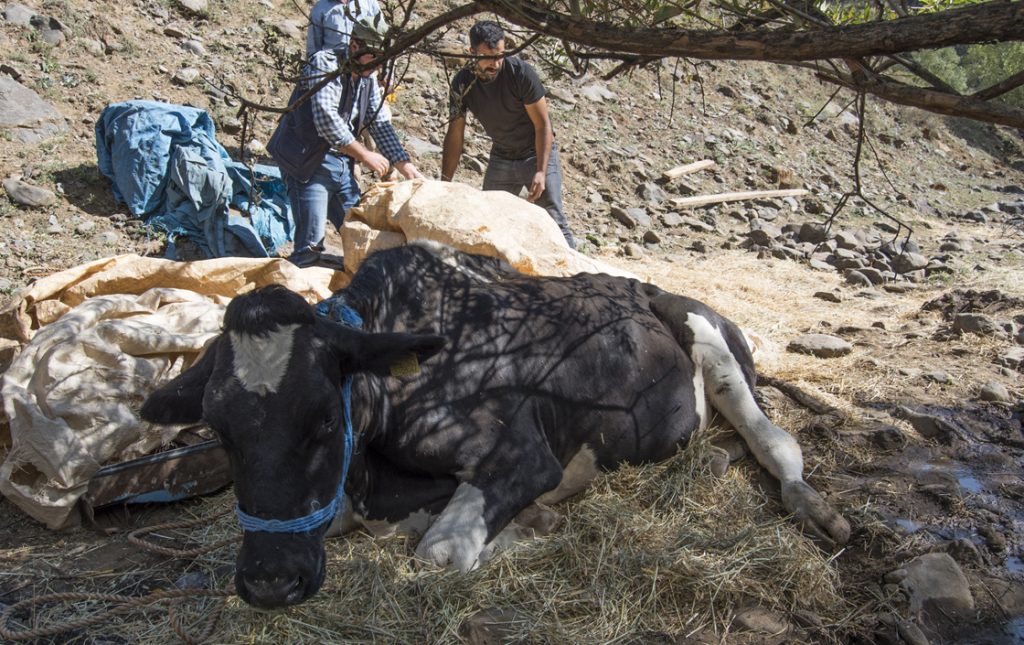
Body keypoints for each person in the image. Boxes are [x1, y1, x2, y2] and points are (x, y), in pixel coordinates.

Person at [274, 16, 422, 268]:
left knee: (361, 234)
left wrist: (405, 166)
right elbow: (326, 119)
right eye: (372, 57)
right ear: (355, 45)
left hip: (340, 166)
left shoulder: (368, 77)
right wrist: (365, 155)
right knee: (310, 245)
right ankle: (295, 293)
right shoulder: (325, 63)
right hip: (308, 164)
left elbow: (379, 124)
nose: (376, 66)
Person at [441, 20, 576, 249]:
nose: (495, 63)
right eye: (488, 57)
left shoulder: (519, 73)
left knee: (553, 218)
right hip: (502, 155)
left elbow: (543, 126)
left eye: (500, 55)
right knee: (489, 221)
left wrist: (542, 171)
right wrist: (445, 182)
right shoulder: (462, 84)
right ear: (471, 52)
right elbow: (455, 134)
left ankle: (575, 277)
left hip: (535, 152)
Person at [306, 0, 382, 58]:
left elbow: (383, 40)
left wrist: (386, 73)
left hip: (364, 69)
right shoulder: (320, 8)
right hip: (332, 70)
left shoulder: (370, 3)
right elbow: (313, 50)